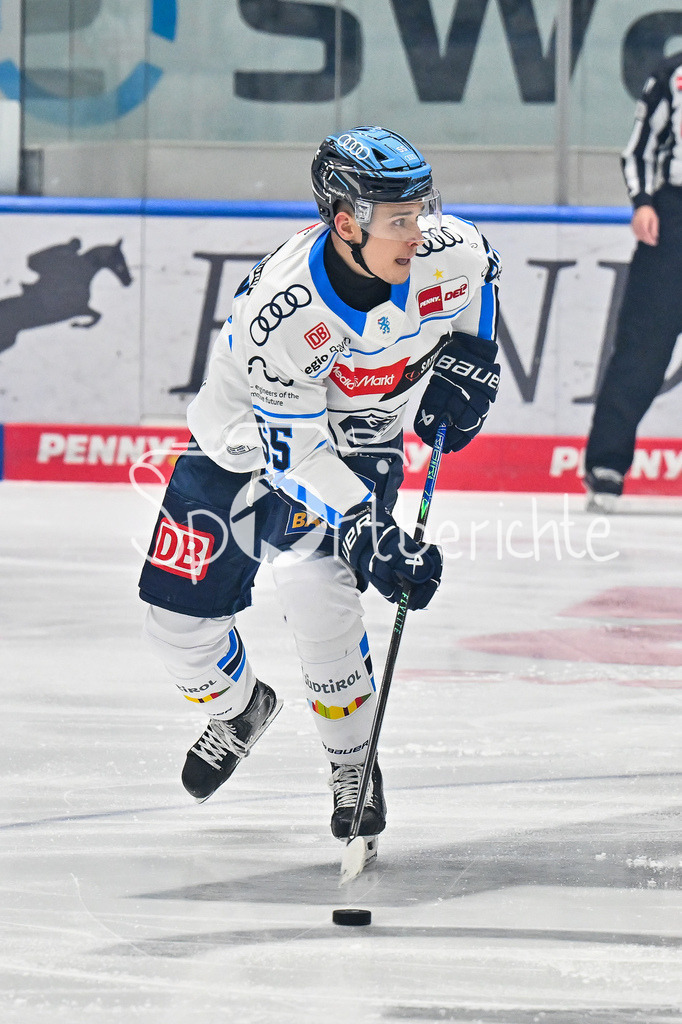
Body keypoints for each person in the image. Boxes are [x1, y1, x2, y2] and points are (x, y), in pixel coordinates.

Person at [138, 126, 501, 848]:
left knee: (315, 591)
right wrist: (370, 529)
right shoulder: (287, 312)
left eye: (421, 210)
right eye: (399, 220)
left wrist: (475, 357)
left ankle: (352, 763)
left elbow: (480, 284)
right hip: (243, 443)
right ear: (346, 224)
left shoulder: (446, 249)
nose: (417, 231)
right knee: (176, 621)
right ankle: (240, 708)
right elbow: (293, 454)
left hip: (360, 441)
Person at [584, 52, 682, 512]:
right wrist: (643, 200)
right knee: (643, 348)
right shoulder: (672, 73)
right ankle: (607, 465)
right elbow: (640, 147)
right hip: (674, 221)